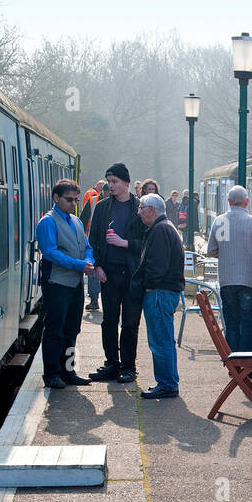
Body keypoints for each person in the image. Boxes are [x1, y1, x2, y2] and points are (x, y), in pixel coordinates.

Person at [86, 163, 147, 384]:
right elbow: (93, 240)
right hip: (109, 272)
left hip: (132, 273)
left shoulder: (139, 207)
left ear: (126, 183)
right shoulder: (102, 208)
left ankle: (129, 366)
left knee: (130, 322)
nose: (110, 186)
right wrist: (98, 266)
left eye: (115, 182)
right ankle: (112, 363)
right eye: (108, 182)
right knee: (109, 320)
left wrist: (124, 243)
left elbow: (147, 243)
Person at [36, 179, 95, 390]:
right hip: (57, 284)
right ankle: (52, 374)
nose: (73, 204)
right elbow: (50, 252)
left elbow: (88, 246)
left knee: (72, 329)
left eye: (76, 200)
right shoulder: (47, 222)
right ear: (56, 198)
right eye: (69, 200)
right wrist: (79, 264)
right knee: (54, 330)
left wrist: (90, 261)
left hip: (76, 284)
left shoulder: (76, 221)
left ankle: (68, 371)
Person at [206, 185, 252, 361]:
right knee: (248, 323)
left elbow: (211, 250)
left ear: (228, 202)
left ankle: (233, 363)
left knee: (232, 323)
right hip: (251, 280)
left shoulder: (219, 221)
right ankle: (245, 362)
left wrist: (226, 252)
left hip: (227, 279)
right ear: (247, 202)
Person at [135, 194, 184, 399]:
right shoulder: (165, 227)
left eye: (141, 207)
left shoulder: (160, 229)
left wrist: (148, 286)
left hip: (159, 292)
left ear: (152, 210)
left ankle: (167, 384)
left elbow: (158, 265)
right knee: (163, 339)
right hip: (164, 291)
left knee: (160, 340)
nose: (139, 212)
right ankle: (167, 382)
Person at [79, 180, 107, 311]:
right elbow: (82, 220)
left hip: (108, 244)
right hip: (92, 242)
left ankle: (98, 298)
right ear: (104, 192)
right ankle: (94, 299)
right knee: (92, 271)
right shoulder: (93, 201)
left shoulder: (117, 202)